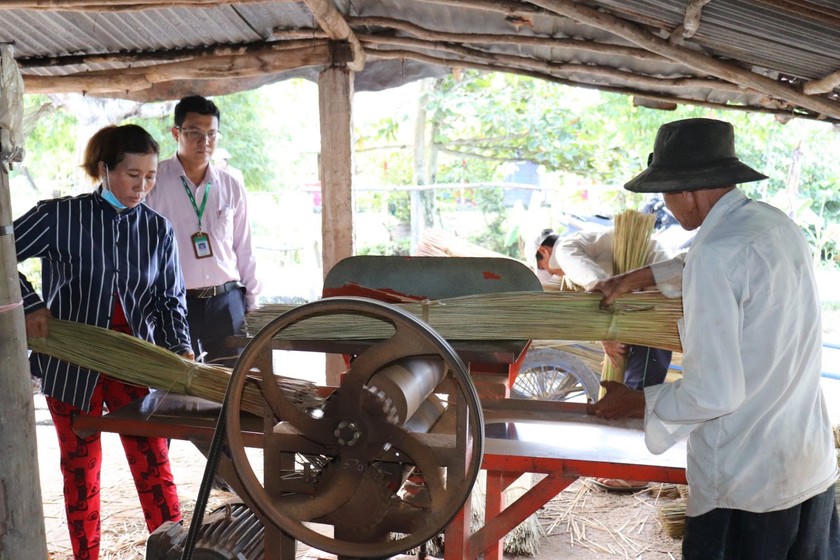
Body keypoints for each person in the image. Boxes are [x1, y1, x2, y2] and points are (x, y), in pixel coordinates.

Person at [592, 118, 840, 559]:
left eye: (667, 192)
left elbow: (714, 393)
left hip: (749, 485)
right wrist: (640, 276)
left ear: (688, 190)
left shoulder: (715, 253)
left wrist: (635, 401)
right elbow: (721, 266)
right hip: (808, 465)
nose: (667, 205)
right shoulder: (771, 224)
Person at [15, 124, 191, 560]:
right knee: (80, 471)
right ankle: (85, 556)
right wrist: (30, 302)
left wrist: (181, 351)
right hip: (72, 366)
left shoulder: (158, 230)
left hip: (135, 365)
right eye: (133, 175)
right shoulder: (59, 216)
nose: (143, 186)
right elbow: (1, 252)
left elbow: (170, 301)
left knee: (154, 465)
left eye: (150, 176)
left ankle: (174, 551)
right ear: (104, 169)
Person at [535, 226, 675, 491]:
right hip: (642, 304)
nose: (551, 273)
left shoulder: (566, 248)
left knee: (637, 393)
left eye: (545, 267)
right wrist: (606, 333)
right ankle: (626, 464)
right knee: (633, 388)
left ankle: (638, 472)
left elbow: (598, 284)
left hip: (651, 306)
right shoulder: (589, 243)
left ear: (545, 251)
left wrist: (607, 327)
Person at [146, 95, 261, 367]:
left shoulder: (231, 184)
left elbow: (244, 248)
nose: (205, 141)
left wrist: (253, 303)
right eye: (195, 133)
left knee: (232, 384)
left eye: (211, 133)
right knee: (177, 385)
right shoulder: (154, 182)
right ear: (176, 133)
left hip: (227, 301)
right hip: (174, 302)